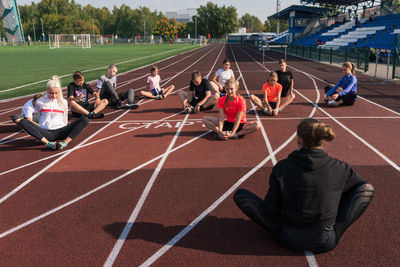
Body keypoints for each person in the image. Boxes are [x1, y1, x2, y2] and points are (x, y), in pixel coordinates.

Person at [234, 118, 374, 253]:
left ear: (299, 139)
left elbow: (271, 209)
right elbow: (361, 188)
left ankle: (278, 229)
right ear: (321, 138)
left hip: (288, 238)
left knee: (241, 195)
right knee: (367, 189)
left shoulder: (282, 167)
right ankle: (336, 228)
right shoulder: (340, 167)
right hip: (325, 241)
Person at [13, 76, 89, 151]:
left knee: (85, 119)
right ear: (47, 90)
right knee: (23, 121)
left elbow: (64, 118)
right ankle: (48, 143)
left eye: (56, 93)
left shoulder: (64, 102)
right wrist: (44, 127)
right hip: (46, 133)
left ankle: (65, 143)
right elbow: (39, 117)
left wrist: (64, 129)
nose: (54, 95)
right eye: (51, 93)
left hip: (62, 132)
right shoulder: (39, 101)